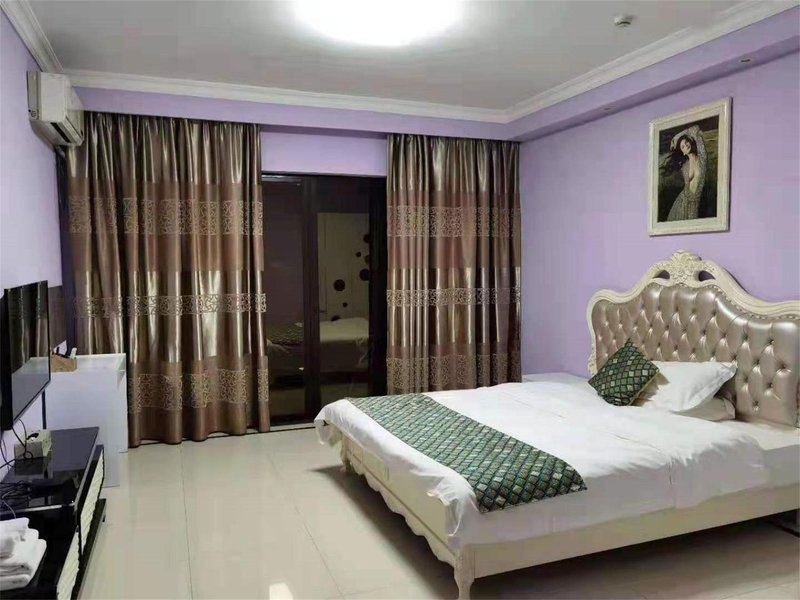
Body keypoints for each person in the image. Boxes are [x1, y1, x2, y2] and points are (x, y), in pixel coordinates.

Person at [664, 125, 707, 221]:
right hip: (682, 202)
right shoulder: (685, 165)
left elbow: (696, 128)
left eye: (686, 142)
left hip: (694, 204)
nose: (686, 145)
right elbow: (673, 148)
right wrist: (675, 140)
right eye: (683, 146)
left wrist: (677, 136)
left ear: (690, 141)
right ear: (683, 152)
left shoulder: (702, 157)